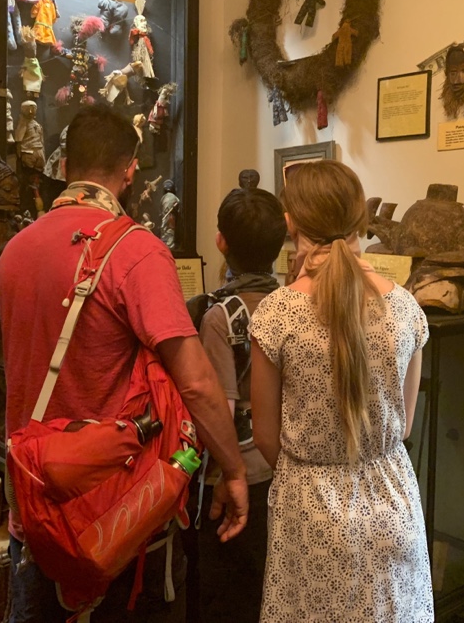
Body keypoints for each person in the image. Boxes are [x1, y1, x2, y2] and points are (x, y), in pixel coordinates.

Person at [0, 105, 248, 623]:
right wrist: (234, 470)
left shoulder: (13, 251)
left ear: (64, 166)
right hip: (110, 520)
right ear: (130, 170)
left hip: (34, 509)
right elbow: (197, 383)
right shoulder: (138, 251)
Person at [249, 160, 433, 622]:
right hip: (392, 500)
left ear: (290, 223)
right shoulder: (405, 307)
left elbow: (265, 436)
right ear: (360, 221)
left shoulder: (277, 313)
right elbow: (404, 426)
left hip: (310, 509)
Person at [192, 181, 286, 622]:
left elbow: (221, 411)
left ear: (221, 242)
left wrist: (219, 472)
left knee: (228, 596)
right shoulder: (294, 305)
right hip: (285, 467)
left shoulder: (220, 317)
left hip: (239, 473)